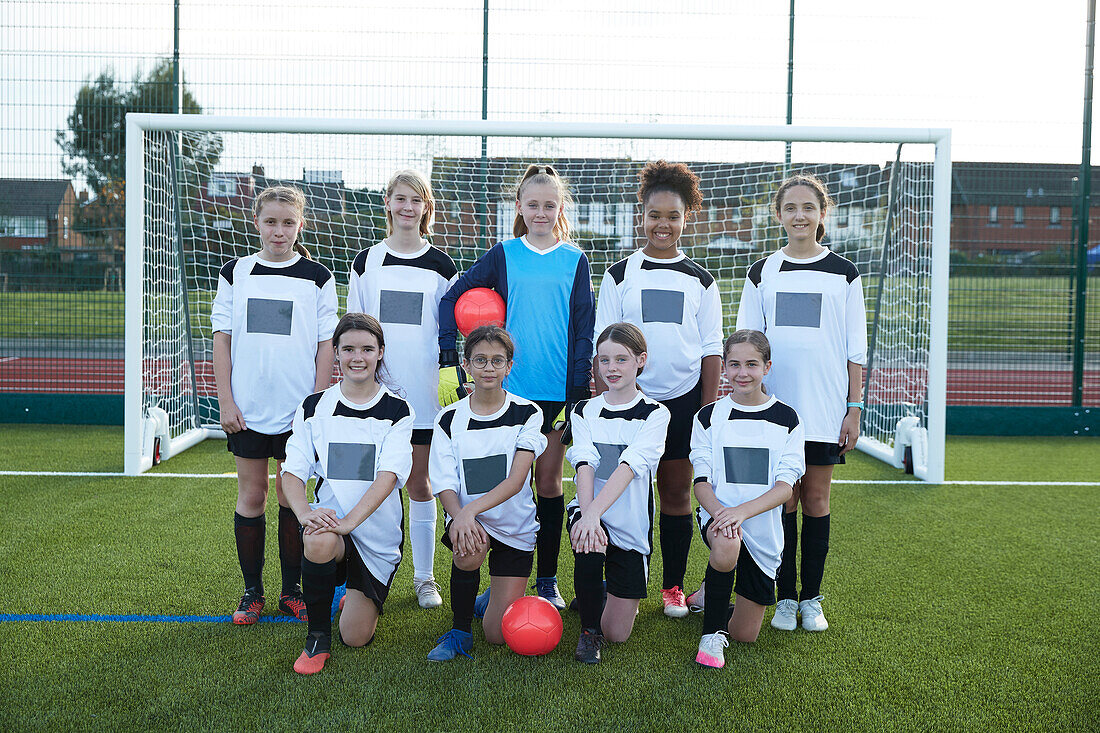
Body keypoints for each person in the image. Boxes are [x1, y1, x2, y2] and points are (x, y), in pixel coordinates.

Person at [438, 164, 594, 611]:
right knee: (500, 483)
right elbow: (452, 298)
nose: (541, 212)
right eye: (533, 205)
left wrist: (577, 393)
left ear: (559, 208)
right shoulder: (504, 253)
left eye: (549, 205)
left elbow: (584, 326)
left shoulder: (574, 259)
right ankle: (499, 580)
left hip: (556, 392)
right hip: (506, 393)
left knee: (546, 483)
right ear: (520, 208)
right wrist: (451, 362)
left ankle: (546, 581)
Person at [735, 172, 867, 632]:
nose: (799, 215)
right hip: (772, 414)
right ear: (778, 215)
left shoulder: (844, 273)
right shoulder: (762, 271)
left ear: (821, 215)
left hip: (825, 410)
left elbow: (855, 349)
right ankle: (785, 597)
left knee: (815, 498)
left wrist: (854, 408)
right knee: (782, 501)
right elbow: (747, 344)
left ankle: (812, 597)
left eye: (808, 208)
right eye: (790, 208)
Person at [593, 160, 722, 618]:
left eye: (672, 215)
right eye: (654, 215)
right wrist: (600, 400)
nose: (662, 224)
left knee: (675, 492)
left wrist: (706, 410)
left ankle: (671, 586)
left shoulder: (701, 280)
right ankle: (613, 578)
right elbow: (602, 344)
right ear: (640, 216)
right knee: (619, 490)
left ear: (687, 217)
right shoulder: (619, 274)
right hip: (627, 403)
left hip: (684, 400)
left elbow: (711, 348)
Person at [211, 185, 338, 625]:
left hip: (296, 412)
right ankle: (251, 593)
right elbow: (222, 339)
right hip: (247, 408)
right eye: (271, 222)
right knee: (252, 496)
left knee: (290, 498)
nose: (279, 230)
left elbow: (327, 345)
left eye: (288, 222)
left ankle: (291, 591)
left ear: (300, 224)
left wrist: (315, 405)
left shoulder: (317, 276)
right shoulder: (235, 272)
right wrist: (226, 400)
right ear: (257, 223)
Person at [347, 169, 458, 609]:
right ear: (388, 204)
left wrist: (452, 374)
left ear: (426, 208)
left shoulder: (442, 265)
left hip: (425, 393)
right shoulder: (367, 261)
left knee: (420, 483)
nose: (408, 207)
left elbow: (447, 331)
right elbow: (353, 327)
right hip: (375, 395)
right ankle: (364, 574)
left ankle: (425, 577)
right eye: (400, 198)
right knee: (372, 484)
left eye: (417, 200)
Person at [281, 313, 414, 674]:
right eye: (349, 348)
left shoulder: (398, 411)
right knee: (318, 539)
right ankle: (317, 639)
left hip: (376, 535)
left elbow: (388, 477)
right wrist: (305, 512)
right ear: (336, 353)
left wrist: (350, 523)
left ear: (380, 353)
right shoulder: (313, 407)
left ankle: (351, 597)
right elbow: (292, 473)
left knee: (355, 637)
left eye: (367, 349)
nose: (358, 357)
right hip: (332, 525)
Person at [425, 325, 548, 661]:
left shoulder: (527, 413)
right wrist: (459, 515)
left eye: (497, 361)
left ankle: (489, 598)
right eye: (480, 360)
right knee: (468, 551)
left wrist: (467, 511)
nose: (488, 368)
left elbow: (516, 480)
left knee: (497, 634)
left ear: (509, 366)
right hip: (471, 523)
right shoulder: (448, 418)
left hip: (514, 524)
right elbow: (445, 484)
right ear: (466, 365)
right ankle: (460, 631)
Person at [689, 330, 805, 668]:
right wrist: (724, 514)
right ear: (724, 367)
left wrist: (741, 512)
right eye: (735, 364)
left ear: (767, 367)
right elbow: (700, 484)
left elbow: (786, 489)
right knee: (727, 540)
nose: (743, 373)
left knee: (746, 634)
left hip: (762, 529)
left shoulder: (787, 419)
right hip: (717, 515)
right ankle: (710, 637)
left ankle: (711, 592)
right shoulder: (708, 417)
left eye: (752, 364)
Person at [566, 323, 670, 663]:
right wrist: (586, 515)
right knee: (590, 540)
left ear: (641, 361)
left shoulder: (655, 413)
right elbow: (585, 462)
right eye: (605, 360)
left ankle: (598, 591)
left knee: (619, 634)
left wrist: (593, 513)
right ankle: (588, 632)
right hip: (587, 508)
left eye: (622, 360)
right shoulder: (583, 410)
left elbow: (629, 466)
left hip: (630, 521)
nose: (611, 368)